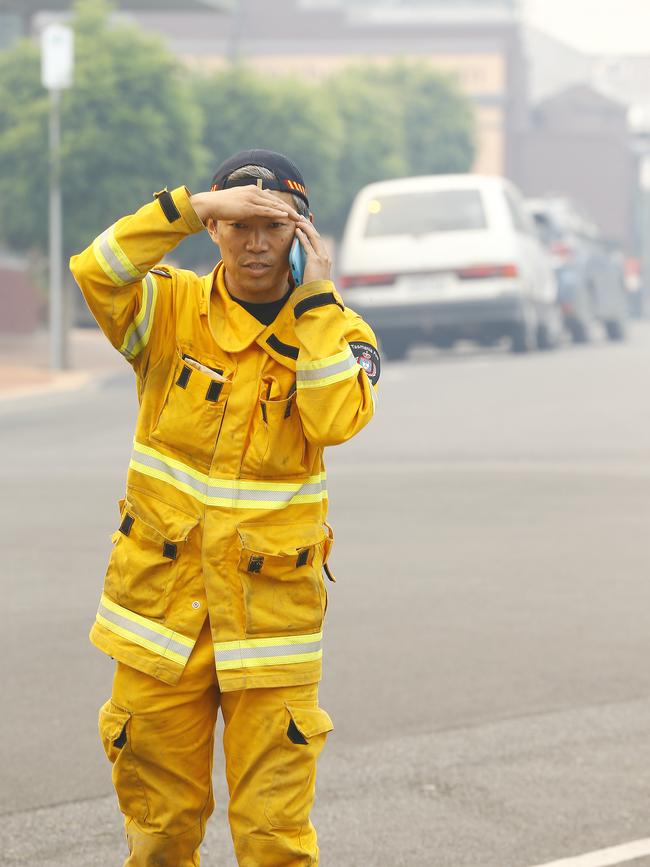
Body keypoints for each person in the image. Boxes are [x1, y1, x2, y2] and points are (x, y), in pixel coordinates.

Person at [69, 148, 380, 866]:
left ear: (303, 232)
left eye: (276, 224)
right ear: (215, 228)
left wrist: (318, 303)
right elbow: (95, 270)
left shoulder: (339, 330)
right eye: (239, 221)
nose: (256, 241)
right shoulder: (168, 306)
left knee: (274, 841)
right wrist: (186, 206)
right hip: (159, 625)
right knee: (160, 833)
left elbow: (336, 420)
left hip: (269, 636)